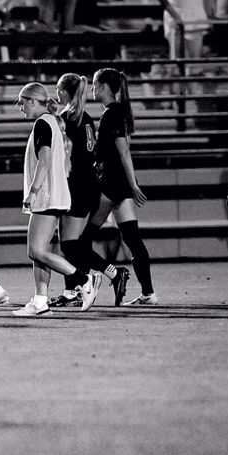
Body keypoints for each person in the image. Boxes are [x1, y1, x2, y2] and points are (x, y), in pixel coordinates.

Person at [14, 81, 100, 317]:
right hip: (55, 196)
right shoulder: (52, 121)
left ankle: (84, 280)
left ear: (33, 101)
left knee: (35, 251)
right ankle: (40, 302)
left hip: (46, 196)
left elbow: (44, 161)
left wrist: (33, 192)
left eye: (22, 103)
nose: (21, 108)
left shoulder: (43, 123)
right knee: (39, 252)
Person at [48, 73, 130, 309]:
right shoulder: (83, 116)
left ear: (64, 92)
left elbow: (64, 151)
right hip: (90, 186)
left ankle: (110, 273)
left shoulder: (68, 117)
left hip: (76, 187)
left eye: (58, 89)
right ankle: (73, 291)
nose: (56, 93)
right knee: (76, 244)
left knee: (69, 245)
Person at [85, 67, 157, 306]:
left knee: (80, 241)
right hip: (119, 184)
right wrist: (130, 184)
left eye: (94, 85)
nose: (92, 89)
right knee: (132, 238)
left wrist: (133, 185)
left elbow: (124, 152)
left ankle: (104, 277)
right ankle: (148, 293)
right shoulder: (117, 111)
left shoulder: (112, 113)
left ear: (103, 87)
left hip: (111, 183)